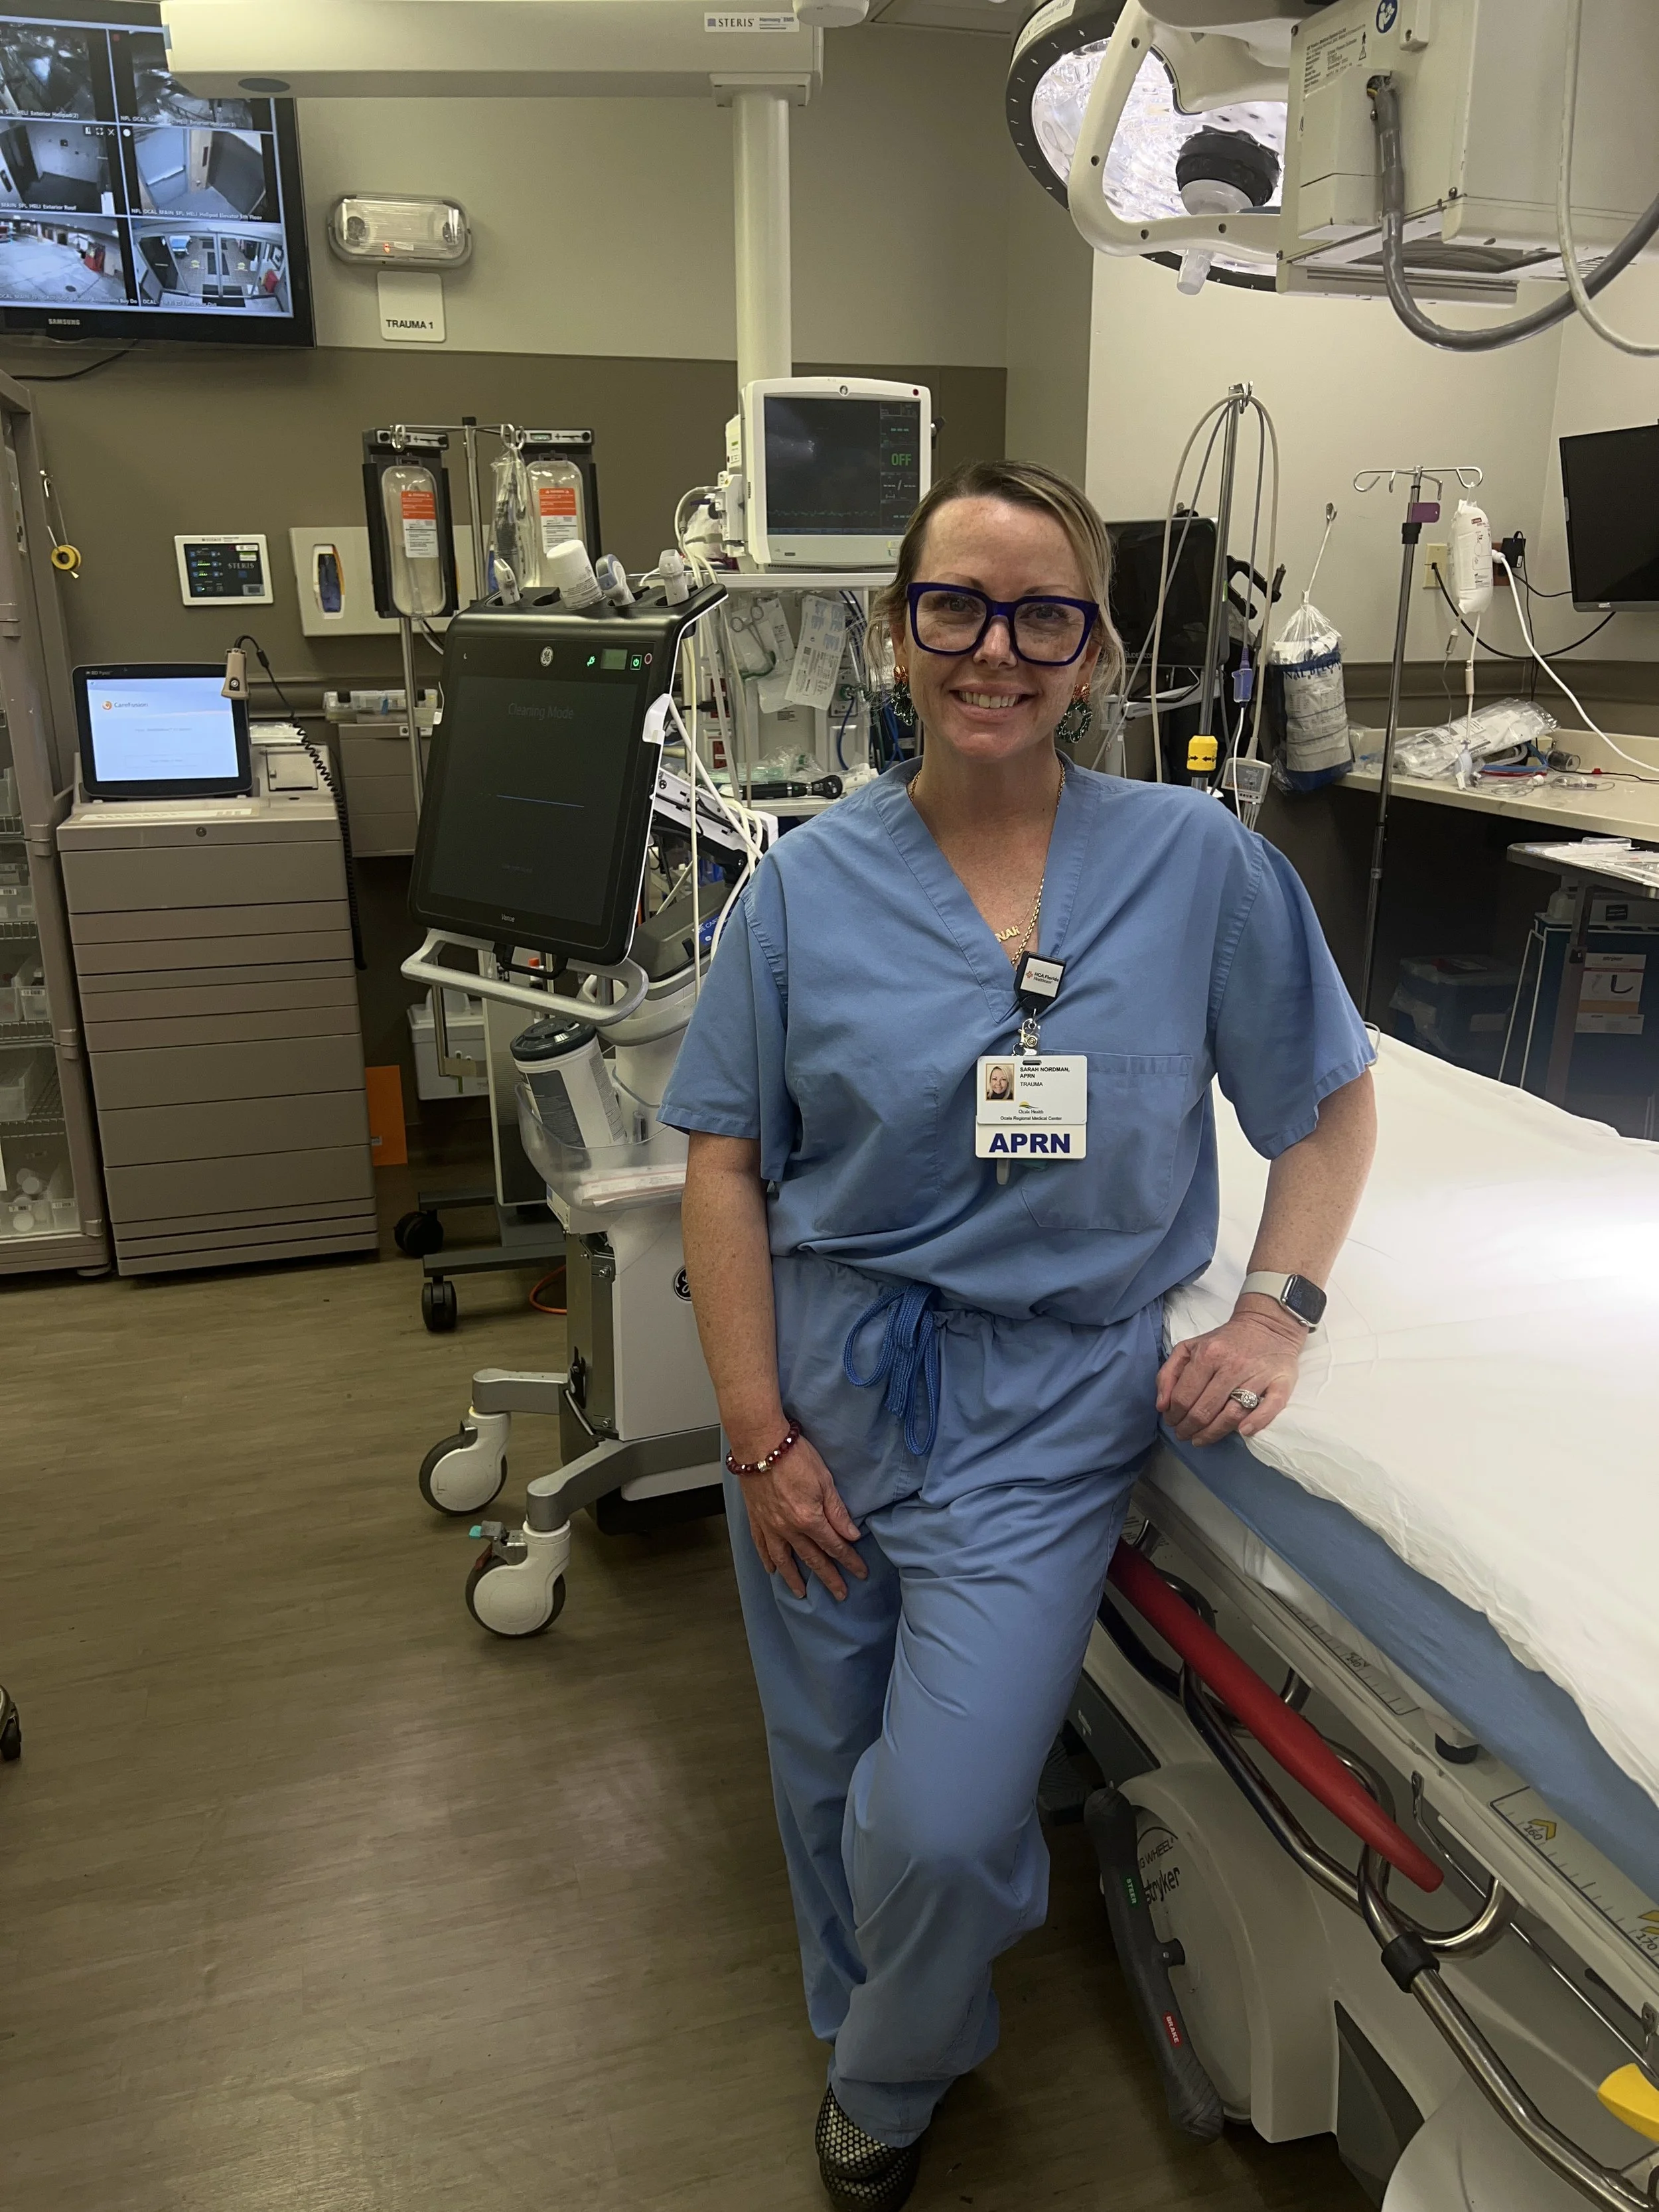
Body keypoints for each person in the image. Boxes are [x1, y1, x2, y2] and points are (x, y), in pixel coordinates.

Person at [662, 459, 1376, 2211]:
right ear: (893, 634)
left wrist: (1276, 1307)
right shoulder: (803, 889)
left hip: (1042, 1409)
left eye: (1041, 610)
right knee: (827, 1757)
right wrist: (755, 1434)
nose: (996, 646)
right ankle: (872, 2014)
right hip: (822, 1385)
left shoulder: (1198, 865)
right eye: (954, 606)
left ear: (1095, 646)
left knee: (941, 1813)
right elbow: (725, 1165)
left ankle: (887, 2082)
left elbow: (1328, 1110)